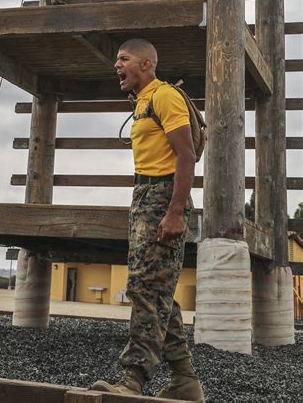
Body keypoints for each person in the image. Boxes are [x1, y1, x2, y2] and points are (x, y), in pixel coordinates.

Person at [92, 38, 205, 402]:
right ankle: (185, 382)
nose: (116, 65)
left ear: (146, 64)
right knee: (157, 292)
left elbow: (186, 156)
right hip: (145, 197)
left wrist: (174, 212)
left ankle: (134, 379)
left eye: (123, 59)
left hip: (162, 197)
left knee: (144, 289)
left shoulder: (165, 96)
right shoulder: (141, 101)